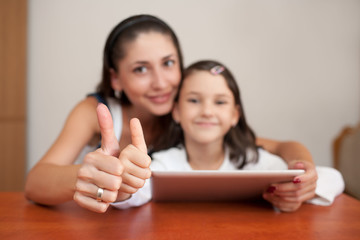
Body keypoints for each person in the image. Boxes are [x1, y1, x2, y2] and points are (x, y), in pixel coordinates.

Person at [25, 14, 318, 213]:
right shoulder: (96, 111)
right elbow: (35, 182)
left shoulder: (187, 110)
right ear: (115, 79)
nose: (161, 83)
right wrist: (94, 176)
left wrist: (302, 169)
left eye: (168, 63)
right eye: (141, 69)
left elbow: (274, 146)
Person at [112, 60, 344, 212]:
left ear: (234, 115)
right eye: (194, 100)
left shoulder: (254, 160)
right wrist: (123, 186)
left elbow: (333, 178)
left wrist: (303, 188)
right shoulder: (163, 163)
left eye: (220, 102)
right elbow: (133, 194)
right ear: (176, 112)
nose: (207, 111)